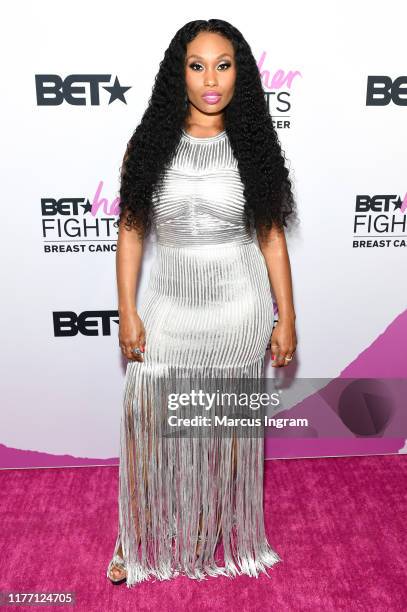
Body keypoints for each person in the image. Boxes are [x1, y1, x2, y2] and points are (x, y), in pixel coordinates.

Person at [107, 18, 298, 587]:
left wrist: (286, 315)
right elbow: (132, 230)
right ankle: (136, 537)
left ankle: (206, 529)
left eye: (224, 64)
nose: (211, 79)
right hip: (171, 307)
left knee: (220, 431)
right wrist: (128, 310)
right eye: (197, 65)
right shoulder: (147, 145)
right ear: (178, 74)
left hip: (239, 309)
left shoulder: (254, 147)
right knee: (148, 423)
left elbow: (271, 237)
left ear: (240, 71)